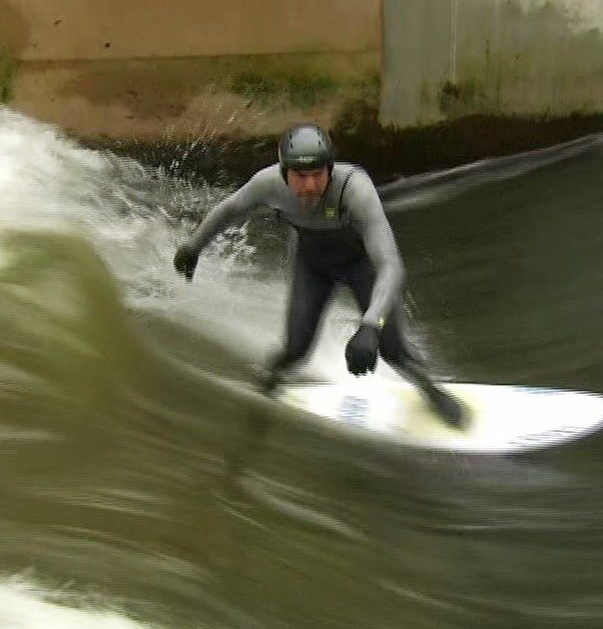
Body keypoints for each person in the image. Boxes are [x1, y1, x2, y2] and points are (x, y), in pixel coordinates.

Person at [172, 123, 469, 429]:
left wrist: (370, 325)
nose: (311, 186)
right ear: (284, 172)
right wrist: (193, 246)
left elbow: (391, 266)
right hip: (313, 268)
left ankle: (431, 391)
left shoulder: (354, 189)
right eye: (301, 176)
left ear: (330, 169)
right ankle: (267, 387)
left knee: (394, 352)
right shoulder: (267, 184)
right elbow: (230, 209)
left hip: (362, 267)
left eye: (318, 174)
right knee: (294, 350)